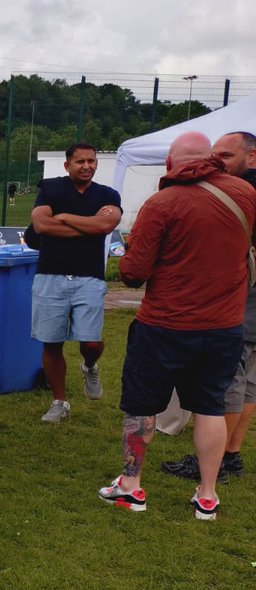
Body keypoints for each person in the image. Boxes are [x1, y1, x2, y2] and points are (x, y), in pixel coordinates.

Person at [98, 132, 256, 521]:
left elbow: (133, 273)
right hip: (223, 326)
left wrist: (133, 254)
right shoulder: (246, 194)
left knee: (141, 406)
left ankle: (131, 487)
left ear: (172, 163)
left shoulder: (162, 202)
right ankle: (207, 495)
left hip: (164, 325)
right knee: (210, 407)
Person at [163, 131, 256, 483]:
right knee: (248, 379)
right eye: (214, 155)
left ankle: (215, 465)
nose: (218, 163)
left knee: (229, 377)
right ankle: (231, 453)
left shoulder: (246, 192)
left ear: (252, 156)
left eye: (227, 156)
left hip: (240, 297)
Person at [23, 144, 122, 424]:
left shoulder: (107, 194)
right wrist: (88, 225)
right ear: (67, 165)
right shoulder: (51, 189)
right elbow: (41, 225)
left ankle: (90, 365)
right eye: (80, 161)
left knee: (91, 341)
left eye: (91, 161)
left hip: (89, 277)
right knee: (51, 342)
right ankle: (59, 402)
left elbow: (106, 226)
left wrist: (64, 217)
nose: (87, 166)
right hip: (50, 276)